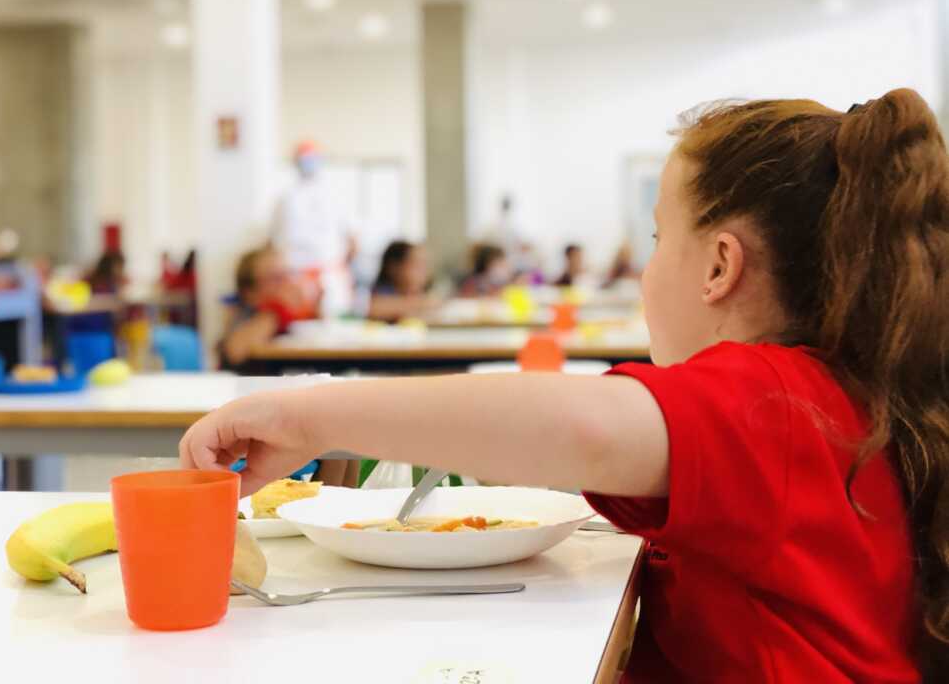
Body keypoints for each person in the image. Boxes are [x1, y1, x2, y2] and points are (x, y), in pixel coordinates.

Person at [181, 89, 949, 682]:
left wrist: (310, 415)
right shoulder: (838, 398)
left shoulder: (774, 400)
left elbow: (586, 428)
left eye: (656, 240)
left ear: (718, 266)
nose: (647, 268)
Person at [270, 140, 356, 316]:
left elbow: (353, 240)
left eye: (312, 157)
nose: (308, 163)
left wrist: (341, 268)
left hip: (330, 275)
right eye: (303, 157)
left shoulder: (336, 195)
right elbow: (273, 241)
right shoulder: (285, 198)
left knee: (334, 324)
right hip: (295, 276)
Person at [218, 246, 317, 369]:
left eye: (290, 274)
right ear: (250, 293)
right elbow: (235, 351)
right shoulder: (248, 314)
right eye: (276, 278)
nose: (288, 283)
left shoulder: (296, 313)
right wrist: (276, 310)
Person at [367, 241, 438, 323]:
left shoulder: (421, 293)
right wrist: (421, 304)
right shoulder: (383, 292)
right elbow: (371, 308)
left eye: (425, 265)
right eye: (416, 265)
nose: (424, 272)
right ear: (394, 268)